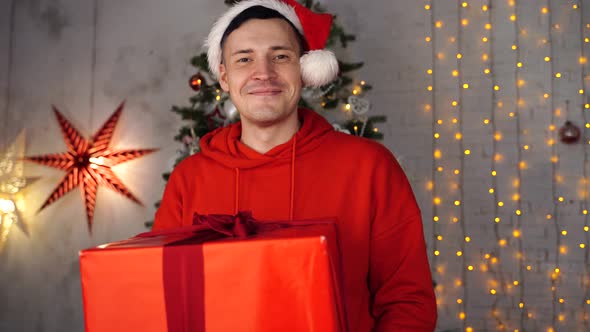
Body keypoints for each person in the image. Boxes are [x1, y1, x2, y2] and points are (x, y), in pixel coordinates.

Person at [153, 0, 437, 330]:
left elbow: (408, 301)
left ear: (303, 70)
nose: (264, 72)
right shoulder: (189, 179)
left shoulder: (369, 166)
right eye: (245, 59)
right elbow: (164, 293)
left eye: (281, 56)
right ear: (224, 77)